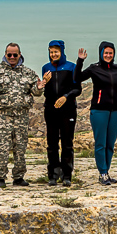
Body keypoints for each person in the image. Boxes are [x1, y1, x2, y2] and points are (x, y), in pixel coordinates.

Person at [0, 43, 45, 188]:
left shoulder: (29, 73)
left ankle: (18, 177)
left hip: (21, 116)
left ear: (20, 54)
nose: (12, 57)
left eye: (15, 54)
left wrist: (39, 88)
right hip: (2, 116)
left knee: (20, 148)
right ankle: (0, 177)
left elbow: (36, 92)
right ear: (5, 54)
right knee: (2, 148)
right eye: (9, 55)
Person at [79, 40, 117, 185]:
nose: (108, 55)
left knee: (110, 143)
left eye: (111, 53)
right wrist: (80, 61)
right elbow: (77, 78)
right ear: (101, 53)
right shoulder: (94, 68)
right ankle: (102, 173)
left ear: (114, 54)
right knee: (101, 143)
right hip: (99, 110)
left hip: (115, 111)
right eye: (106, 53)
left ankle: (106, 172)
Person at [41, 40, 85, 187]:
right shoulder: (45, 68)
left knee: (67, 144)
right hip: (51, 110)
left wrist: (66, 97)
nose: (53, 54)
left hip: (68, 110)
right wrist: (44, 82)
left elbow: (77, 89)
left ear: (62, 52)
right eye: (51, 52)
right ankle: (53, 175)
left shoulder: (71, 67)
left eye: (56, 51)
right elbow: (46, 92)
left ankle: (67, 175)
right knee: (52, 144)